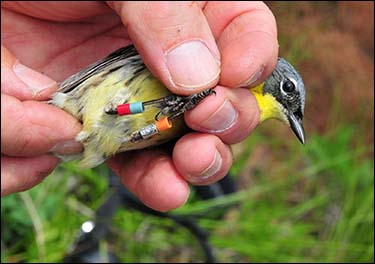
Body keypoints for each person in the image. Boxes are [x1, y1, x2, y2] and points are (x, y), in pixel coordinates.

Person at [1, 1, 278, 212]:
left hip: (100, 135)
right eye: (286, 93)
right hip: (86, 99)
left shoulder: (218, 96)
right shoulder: (214, 63)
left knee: (183, 136)